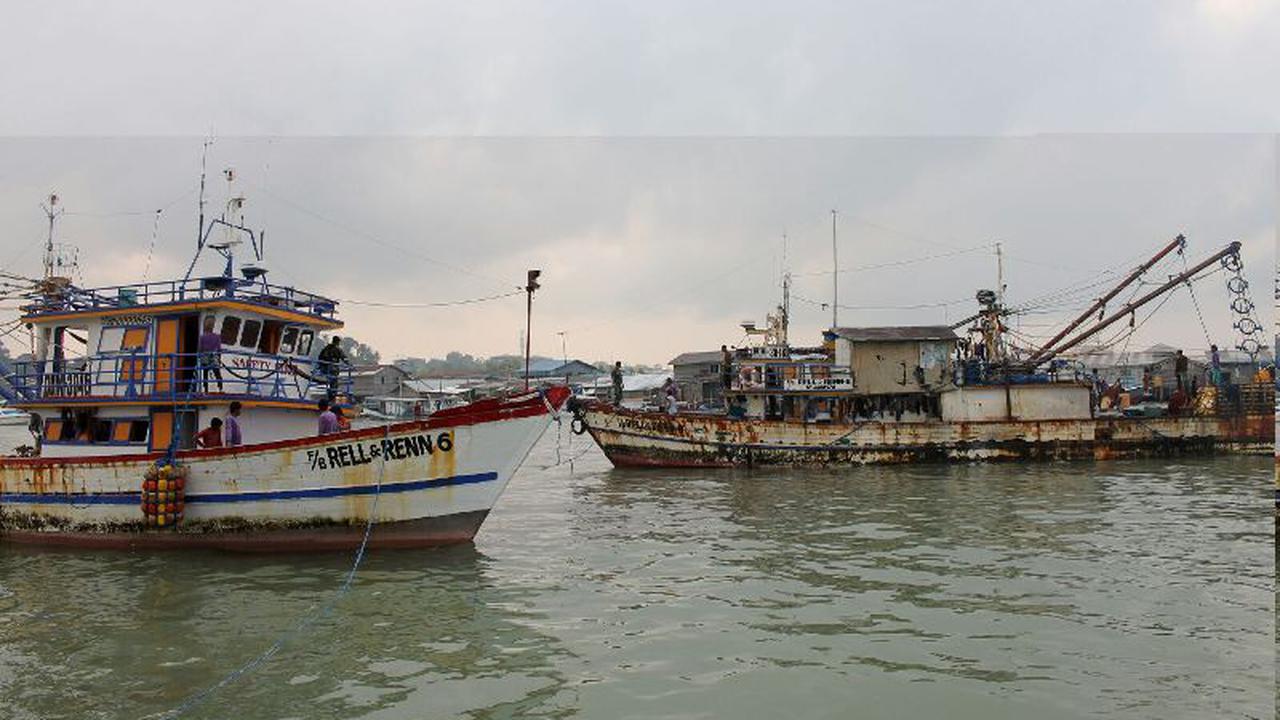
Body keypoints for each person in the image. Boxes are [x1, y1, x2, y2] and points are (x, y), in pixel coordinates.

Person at [197, 316, 224, 392]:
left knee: (205, 374)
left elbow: (200, 349)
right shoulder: (217, 337)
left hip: (205, 356)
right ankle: (220, 388)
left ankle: (205, 389)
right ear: (213, 326)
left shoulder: (202, 337)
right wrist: (219, 358)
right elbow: (219, 349)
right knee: (217, 373)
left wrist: (199, 356)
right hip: (214, 356)